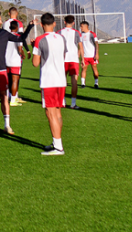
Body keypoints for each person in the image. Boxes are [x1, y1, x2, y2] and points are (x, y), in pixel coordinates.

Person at [32, 13, 67, 156]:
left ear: (41, 25)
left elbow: (35, 63)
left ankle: (58, 147)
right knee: (57, 112)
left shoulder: (40, 40)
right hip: (61, 80)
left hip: (49, 81)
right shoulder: (61, 38)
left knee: (50, 113)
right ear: (54, 24)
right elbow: (63, 56)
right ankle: (56, 143)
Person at [59, 15, 84, 110]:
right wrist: (82, 59)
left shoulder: (59, 32)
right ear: (73, 23)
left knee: (62, 81)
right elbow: (81, 46)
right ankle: (73, 104)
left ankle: (62, 102)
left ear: (64, 22)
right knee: (74, 82)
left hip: (62, 60)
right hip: (73, 59)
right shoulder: (77, 32)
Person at [5, 20, 27, 108]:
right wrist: (23, 54)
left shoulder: (5, 36)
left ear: (9, 28)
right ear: (17, 28)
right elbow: (19, 49)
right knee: (15, 80)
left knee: (7, 81)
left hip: (6, 61)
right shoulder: (18, 37)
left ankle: (6, 98)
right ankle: (13, 100)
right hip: (15, 61)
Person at [80, 21, 100, 88]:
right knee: (84, 69)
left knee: (94, 69)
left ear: (86, 26)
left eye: (82, 26)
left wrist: (96, 54)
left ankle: (96, 83)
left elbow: (96, 44)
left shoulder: (92, 34)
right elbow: (81, 45)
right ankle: (83, 84)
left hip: (92, 56)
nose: (81, 28)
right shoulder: (81, 34)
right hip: (85, 56)